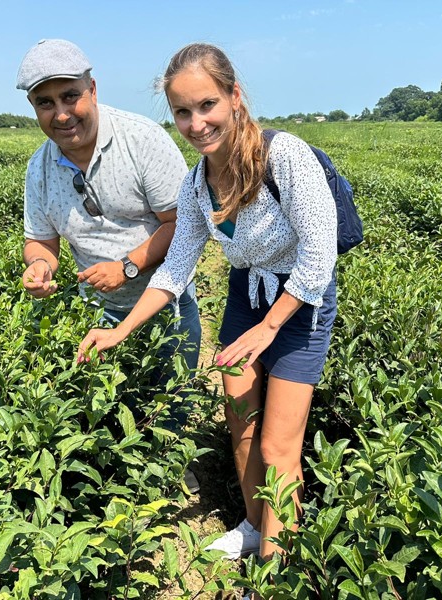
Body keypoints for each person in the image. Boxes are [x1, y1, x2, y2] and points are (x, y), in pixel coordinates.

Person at [77, 42, 338, 564]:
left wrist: (269, 328)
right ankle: (253, 525)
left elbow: (320, 253)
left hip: (300, 303)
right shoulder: (197, 182)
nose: (196, 123)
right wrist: (121, 329)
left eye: (207, 105)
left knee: (278, 448)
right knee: (241, 424)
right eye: (182, 112)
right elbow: (176, 266)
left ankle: (275, 573)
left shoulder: (284, 156)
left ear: (234, 96)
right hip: (247, 295)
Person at [17, 39, 202, 433]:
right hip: (98, 308)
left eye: (70, 97)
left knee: (172, 399)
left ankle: (173, 467)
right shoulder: (39, 168)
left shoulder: (142, 140)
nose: (62, 114)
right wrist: (39, 266)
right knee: (117, 406)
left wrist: (128, 267)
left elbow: (182, 223)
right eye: (45, 103)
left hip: (164, 302)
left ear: (93, 90)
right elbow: (42, 240)